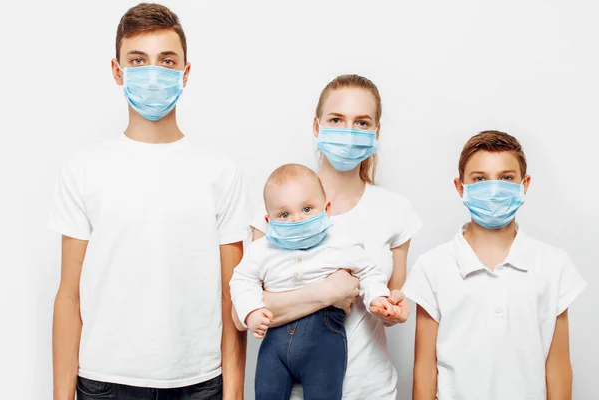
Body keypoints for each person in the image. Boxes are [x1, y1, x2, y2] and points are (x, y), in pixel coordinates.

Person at [48, 4, 249, 400]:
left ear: (185, 73)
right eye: (138, 60)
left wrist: (234, 393)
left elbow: (232, 296)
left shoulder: (221, 173)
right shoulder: (84, 168)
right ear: (117, 70)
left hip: (198, 382)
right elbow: (69, 295)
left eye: (167, 61)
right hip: (104, 381)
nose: (152, 73)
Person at [250, 74, 422, 399]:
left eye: (361, 122)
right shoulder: (277, 207)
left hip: (372, 390)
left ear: (376, 131)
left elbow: (387, 299)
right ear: (317, 127)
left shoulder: (396, 211)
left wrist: (392, 310)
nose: (348, 132)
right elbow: (245, 310)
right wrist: (329, 291)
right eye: (336, 119)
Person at [404, 130, 587, 400]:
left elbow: (557, 367)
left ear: (524, 184)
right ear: (460, 187)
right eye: (479, 179)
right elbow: (425, 370)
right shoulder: (433, 266)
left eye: (506, 178)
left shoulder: (553, 265)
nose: (493, 189)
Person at [231, 164, 399, 399]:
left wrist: (377, 297)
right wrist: (251, 311)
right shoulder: (261, 251)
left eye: (307, 209)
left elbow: (369, 270)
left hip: (323, 343)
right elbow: (241, 281)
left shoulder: (340, 243)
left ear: (326, 209)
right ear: (269, 221)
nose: (297, 220)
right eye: (284, 215)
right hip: (274, 349)